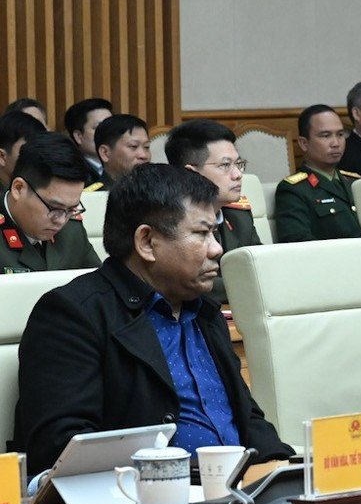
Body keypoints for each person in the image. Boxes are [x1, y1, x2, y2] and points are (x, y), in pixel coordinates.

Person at [15, 165, 291, 475]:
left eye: (214, 233)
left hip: (238, 487)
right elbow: (63, 448)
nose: (217, 249)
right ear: (146, 242)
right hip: (149, 494)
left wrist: (281, 469)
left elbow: (247, 417)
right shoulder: (73, 314)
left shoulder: (205, 313)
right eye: (202, 233)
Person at [165, 121, 260, 302]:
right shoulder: (170, 219)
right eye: (225, 165)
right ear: (191, 173)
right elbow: (187, 283)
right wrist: (249, 286)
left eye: (238, 164)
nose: (238, 174)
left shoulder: (238, 216)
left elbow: (261, 267)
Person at [0, 135, 98, 273]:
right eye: (55, 208)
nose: (61, 220)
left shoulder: (72, 231)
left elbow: (100, 281)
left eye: (72, 209)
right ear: (19, 188)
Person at [273, 105, 361, 242]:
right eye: (326, 136)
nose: (336, 143)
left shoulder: (356, 182)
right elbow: (297, 242)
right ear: (304, 143)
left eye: (340, 135)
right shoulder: (294, 190)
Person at [84, 113, 151, 191]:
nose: (144, 155)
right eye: (133, 146)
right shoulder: (92, 196)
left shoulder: (156, 190)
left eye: (146, 147)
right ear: (105, 153)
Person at [64, 97, 112, 178]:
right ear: (78, 136)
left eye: (111, 126)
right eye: (98, 127)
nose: (109, 132)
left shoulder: (125, 166)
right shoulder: (70, 173)